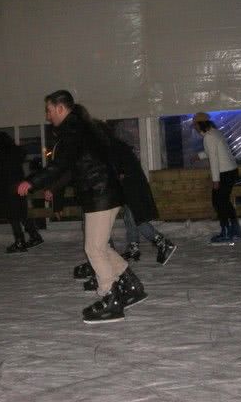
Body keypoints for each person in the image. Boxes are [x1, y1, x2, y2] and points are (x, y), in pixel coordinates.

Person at [17, 90, 147, 324]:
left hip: (100, 193)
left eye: (49, 110)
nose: (47, 116)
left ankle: (111, 298)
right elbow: (72, 167)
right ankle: (131, 285)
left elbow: (60, 165)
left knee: (94, 249)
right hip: (104, 192)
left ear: (60, 108)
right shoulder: (82, 127)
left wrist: (31, 181)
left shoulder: (73, 130)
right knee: (100, 247)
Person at [111, 137, 176, 265]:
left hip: (133, 188)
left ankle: (162, 242)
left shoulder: (115, 149)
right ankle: (133, 246)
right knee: (130, 218)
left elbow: (121, 171)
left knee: (137, 218)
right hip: (130, 187)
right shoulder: (116, 147)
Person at [193, 112, 241, 244]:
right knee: (224, 202)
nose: (194, 127)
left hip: (224, 173)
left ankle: (226, 232)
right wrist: (199, 156)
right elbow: (214, 152)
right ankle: (235, 231)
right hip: (231, 171)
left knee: (219, 203)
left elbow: (214, 160)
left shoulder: (208, 137)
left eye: (195, 124)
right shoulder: (215, 133)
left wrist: (216, 180)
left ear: (200, 124)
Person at [0, 131, 43, 253]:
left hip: (10, 189)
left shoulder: (4, 155)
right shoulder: (16, 153)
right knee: (22, 214)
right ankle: (34, 235)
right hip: (19, 188)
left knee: (14, 216)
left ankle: (20, 241)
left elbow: (2, 175)